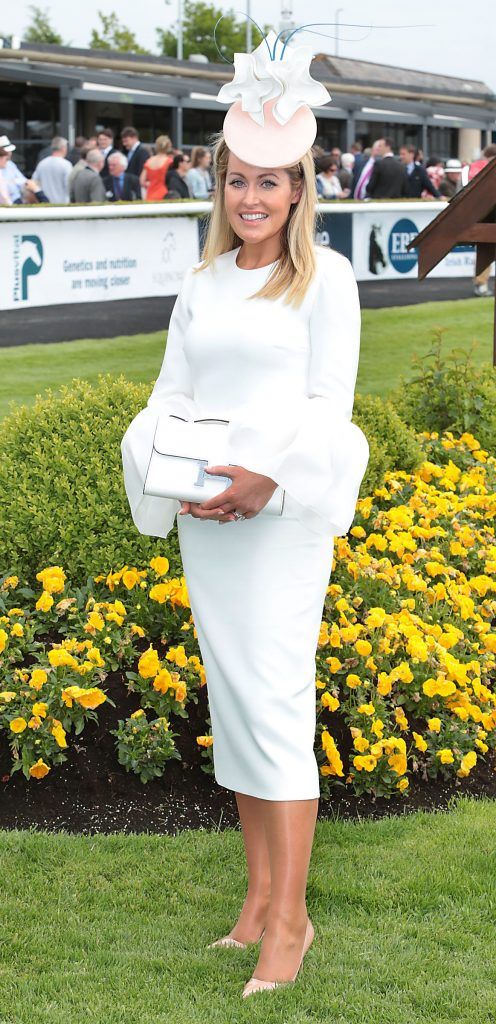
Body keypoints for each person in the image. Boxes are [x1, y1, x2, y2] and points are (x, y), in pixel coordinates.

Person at [121, 25, 369, 1000]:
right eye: (236, 180)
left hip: (280, 522)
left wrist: (264, 478)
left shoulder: (326, 283)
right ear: (218, 187)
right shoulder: (200, 284)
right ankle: (259, 899)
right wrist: (180, 470)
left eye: (271, 181)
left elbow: (327, 410)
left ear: (300, 189)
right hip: (208, 519)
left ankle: (294, 920)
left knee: (273, 705)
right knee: (236, 708)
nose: (252, 198)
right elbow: (165, 400)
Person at [468, 144, 496, 296]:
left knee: (485, 251)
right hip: (486, 218)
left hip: (481, 217)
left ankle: (481, 284)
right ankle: (481, 284)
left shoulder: (474, 168)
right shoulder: (483, 169)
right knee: (486, 251)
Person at [33, 136, 72, 203]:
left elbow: (34, 182)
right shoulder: (66, 165)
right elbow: (69, 186)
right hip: (62, 205)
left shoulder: (42, 163)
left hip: (45, 205)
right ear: (63, 148)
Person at [140, 134, 173, 200]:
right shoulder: (169, 161)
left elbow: (141, 181)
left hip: (150, 194)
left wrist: (148, 184)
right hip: (164, 194)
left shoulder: (149, 161)